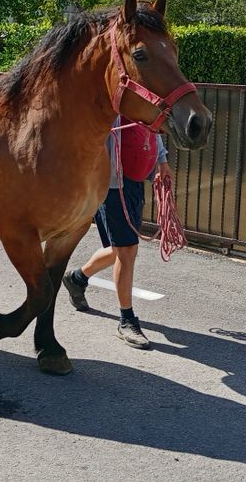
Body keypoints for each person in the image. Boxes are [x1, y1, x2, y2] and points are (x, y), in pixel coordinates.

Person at [62, 117, 171, 349]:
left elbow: (151, 130)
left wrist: (161, 161)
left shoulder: (140, 98)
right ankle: (126, 320)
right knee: (126, 250)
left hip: (134, 181)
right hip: (111, 183)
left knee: (120, 248)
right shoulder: (110, 97)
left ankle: (77, 278)